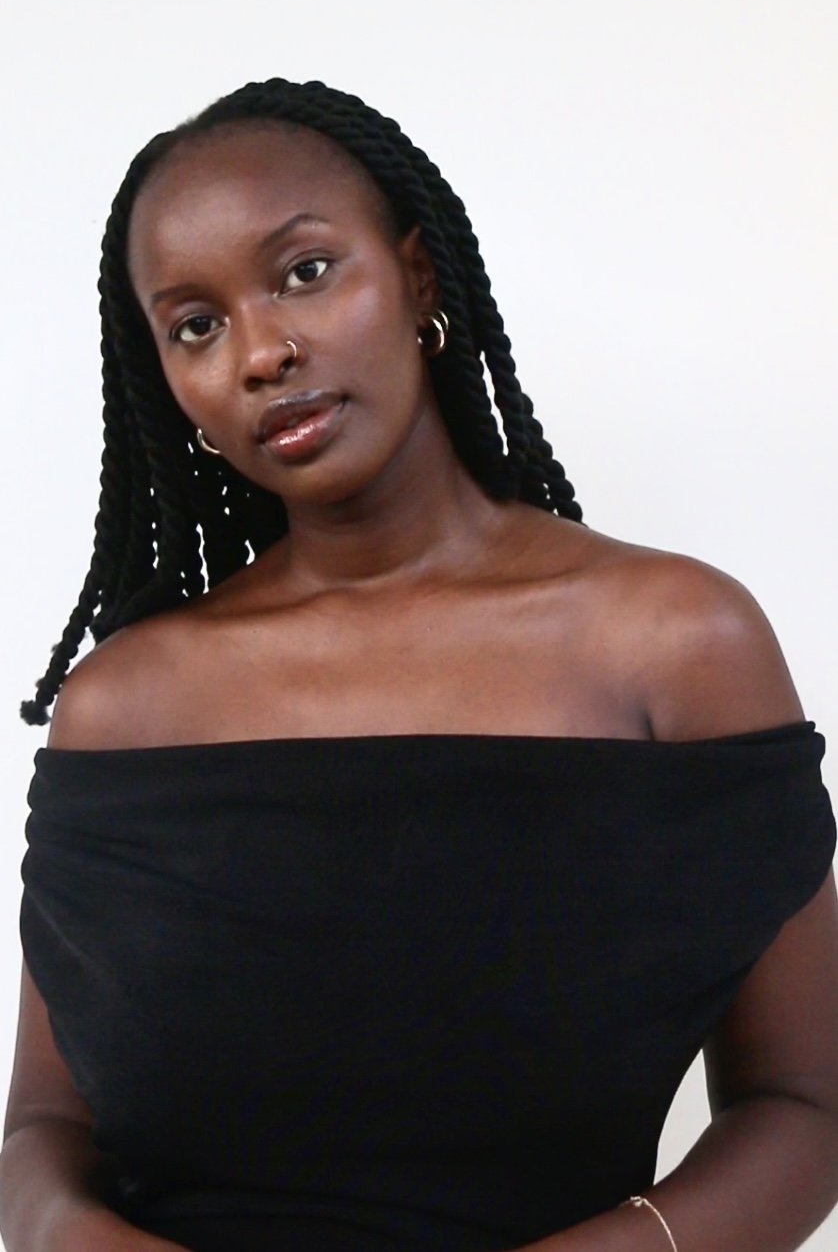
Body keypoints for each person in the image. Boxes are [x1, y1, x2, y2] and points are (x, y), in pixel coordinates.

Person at [1, 76, 836, 1252]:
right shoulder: (124, 708)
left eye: (303, 272)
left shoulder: (673, 644)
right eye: (196, 324)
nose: (261, 350)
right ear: (170, 386)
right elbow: (42, 1125)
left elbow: (802, 1108)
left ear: (418, 278)